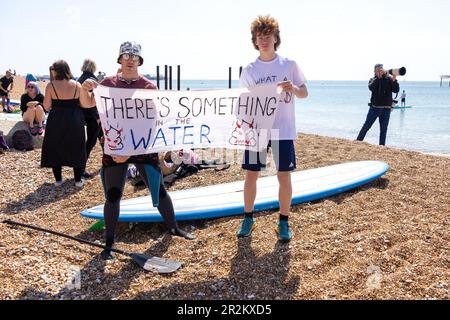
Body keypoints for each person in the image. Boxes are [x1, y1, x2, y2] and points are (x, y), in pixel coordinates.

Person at [80, 41, 195, 260]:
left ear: (140, 61)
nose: (131, 59)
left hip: (143, 146)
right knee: (113, 196)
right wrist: (85, 90)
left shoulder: (149, 87)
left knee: (158, 189)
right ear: (120, 59)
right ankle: (109, 244)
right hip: (115, 148)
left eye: (135, 56)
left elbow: (156, 119)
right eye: (126, 55)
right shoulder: (107, 84)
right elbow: (87, 105)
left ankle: (174, 228)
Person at [236, 16, 308, 243]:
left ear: (276, 39)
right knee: (251, 175)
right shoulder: (249, 69)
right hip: (257, 129)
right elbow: (242, 102)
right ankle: (248, 218)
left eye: (268, 36)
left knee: (283, 176)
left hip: (283, 129)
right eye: (260, 37)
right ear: (255, 41)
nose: (264, 40)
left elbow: (305, 92)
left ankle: (284, 222)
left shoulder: (289, 64)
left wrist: (294, 88)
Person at [41, 60, 90, 188]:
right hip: (75, 118)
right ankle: (78, 181)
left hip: (56, 119)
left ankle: (58, 180)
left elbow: (46, 106)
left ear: (56, 70)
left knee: (55, 146)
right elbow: (84, 104)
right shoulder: (77, 85)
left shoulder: (50, 86)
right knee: (76, 147)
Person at [356, 64, 400, 146]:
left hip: (386, 109)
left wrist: (394, 80)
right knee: (366, 126)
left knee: (383, 130)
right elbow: (371, 87)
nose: (380, 71)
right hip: (374, 108)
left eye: (381, 69)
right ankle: (358, 141)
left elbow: (396, 90)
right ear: (374, 71)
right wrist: (378, 78)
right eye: (378, 70)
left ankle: (381, 146)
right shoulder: (372, 80)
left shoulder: (389, 79)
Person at [78, 59, 101, 179]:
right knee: (91, 141)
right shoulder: (92, 79)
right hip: (91, 114)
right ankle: (81, 168)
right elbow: (94, 99)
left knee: (99, 137)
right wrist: (97, 116)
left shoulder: (80, 79)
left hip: (81, 113)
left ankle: (108, 160)